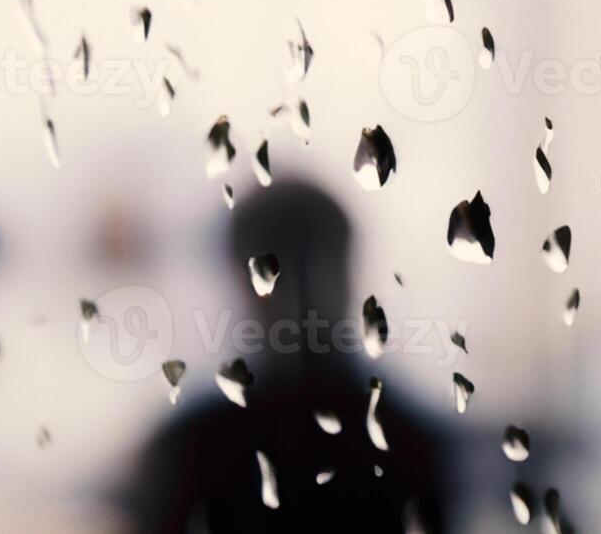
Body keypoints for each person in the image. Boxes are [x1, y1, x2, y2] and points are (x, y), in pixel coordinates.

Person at [128, 180, 448, 533]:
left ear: (238, 277)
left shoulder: (193, 450)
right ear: (347, 271)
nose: (300, 290)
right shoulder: (408, 444)